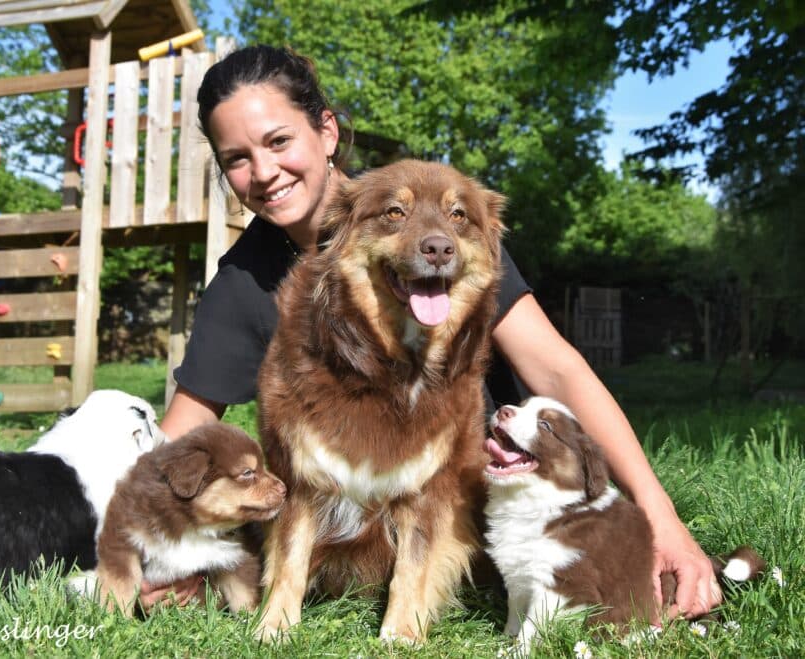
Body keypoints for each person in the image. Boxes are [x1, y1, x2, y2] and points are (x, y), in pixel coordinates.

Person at [142, 44, 721, 621]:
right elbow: (183, 432)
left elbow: (557, 370)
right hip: (340, 527)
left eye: (278, 141)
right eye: (237, 159)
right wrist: (159, 550)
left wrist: (660, 520)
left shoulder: (440, 223)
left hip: (469, 494)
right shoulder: (244, 283)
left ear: (326, 131)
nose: (264, 172)